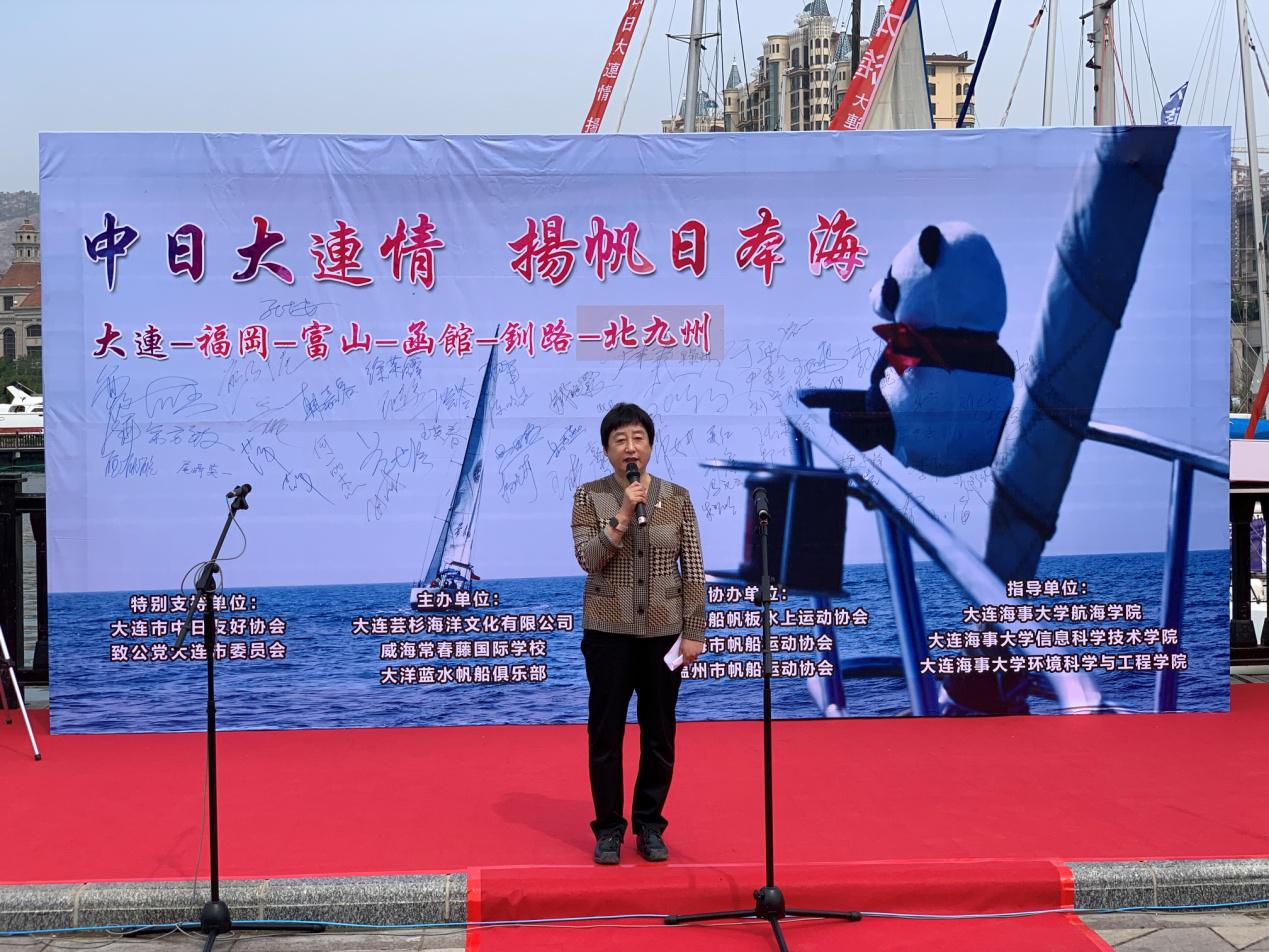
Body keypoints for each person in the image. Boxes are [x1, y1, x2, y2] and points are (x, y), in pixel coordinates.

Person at [570, 403, 706, 865]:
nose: (630, 448)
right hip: (607, 635)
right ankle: (609, 829)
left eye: (638, 438)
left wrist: (694, 630)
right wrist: (624, 512)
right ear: (607, 449)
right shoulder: (589, 497)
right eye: (620, 440)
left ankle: (650, 825)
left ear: (650, 444)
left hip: (664, 635)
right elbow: (589, 559)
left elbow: (694, 570)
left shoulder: (678, 498)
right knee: (605, 734)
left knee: (659, 734)